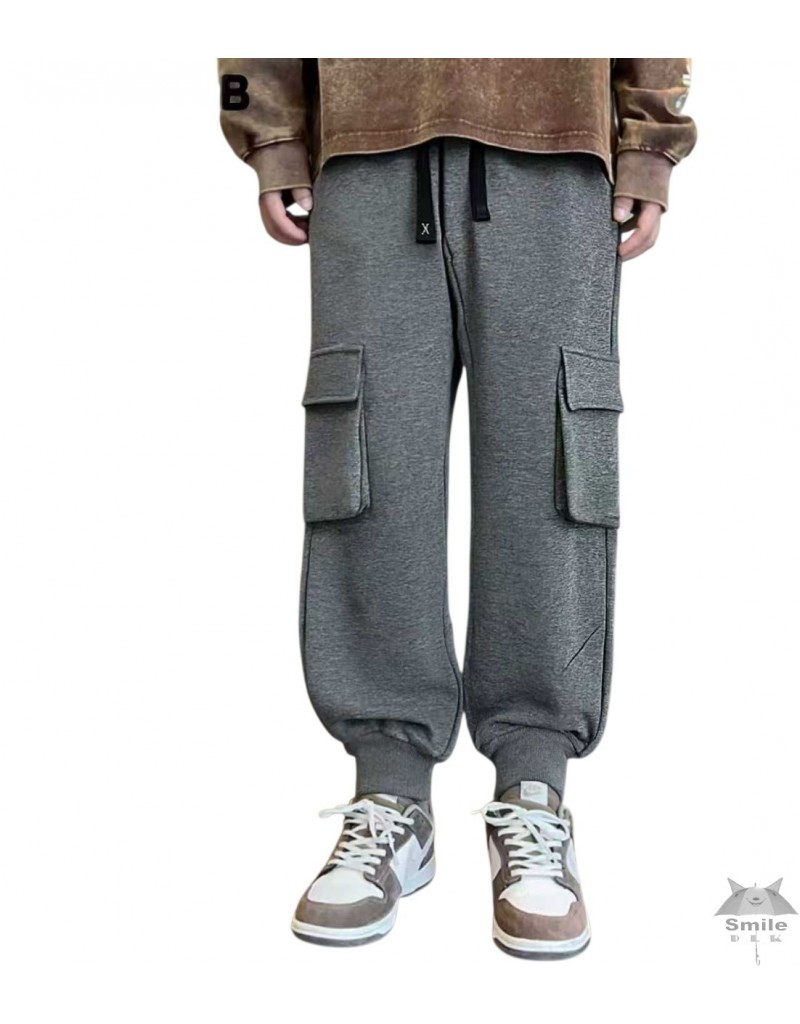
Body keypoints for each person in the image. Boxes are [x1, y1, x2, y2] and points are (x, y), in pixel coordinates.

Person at [218, 58, 696, 959]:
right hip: (365, 143)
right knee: (364, 462)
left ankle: (533, 791)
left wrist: (650, 139)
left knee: (554, 463)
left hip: (555, 147)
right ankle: (391, 791)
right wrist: (269, 130)